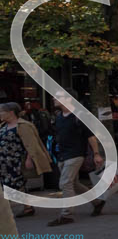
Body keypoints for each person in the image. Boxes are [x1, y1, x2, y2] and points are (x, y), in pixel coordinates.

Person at [49, 89, 105, 226]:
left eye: (58, 97)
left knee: (65, 183)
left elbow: (90, 136)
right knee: (74, 184)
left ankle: (66, 215)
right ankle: (97, 202)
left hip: (75, 155)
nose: (54, 98)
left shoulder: (80, 116)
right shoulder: (59, 116)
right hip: (62, 155)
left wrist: (96, 154)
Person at [0, 102, 50, 218]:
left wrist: (29, 159)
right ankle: (27, 207)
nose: (0, 114)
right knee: (15, 185)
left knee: (13, 185)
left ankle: (5, 211)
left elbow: (31, 145)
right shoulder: (3, 126)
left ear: (11, 113)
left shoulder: (23, 125)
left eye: (1, 111)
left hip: (15, 162)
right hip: (3, 162)